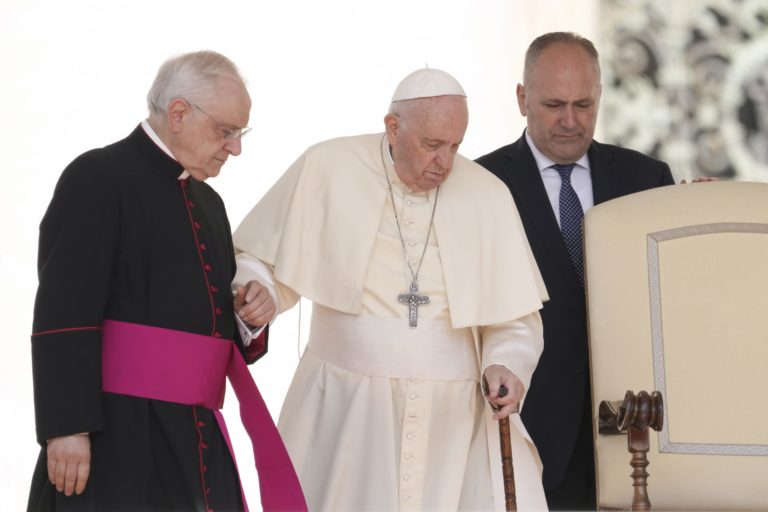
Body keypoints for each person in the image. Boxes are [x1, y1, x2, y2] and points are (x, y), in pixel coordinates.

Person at [233, 67, 550, 511]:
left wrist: (506, 362)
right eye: (432, 145)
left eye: (455, 146)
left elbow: (514, 317)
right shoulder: (327, 167)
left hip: (453, 424)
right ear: (393, 127)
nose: (445, 163)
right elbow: (259, 257)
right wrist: (259, 290)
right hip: (346, 410)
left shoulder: (487, 194)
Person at [28, 51, 304, 511]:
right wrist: (67, 428)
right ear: (178, 114)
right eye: (227, 131)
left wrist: (246, 316)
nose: (235, 148)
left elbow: (208, 327)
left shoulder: (209, 204)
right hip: (118, 431)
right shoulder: (98, 176)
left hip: (195, 431)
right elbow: (64, 308)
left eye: (241, 133)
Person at [476, 32, 675, 510]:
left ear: (599, 96)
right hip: (529, 432)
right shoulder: (481, 185)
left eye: (583, 105)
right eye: (554, 105)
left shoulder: (648, 179)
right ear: (522, 99)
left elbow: (675, 297)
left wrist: (701, 213)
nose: (570, 120)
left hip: (635, 433)